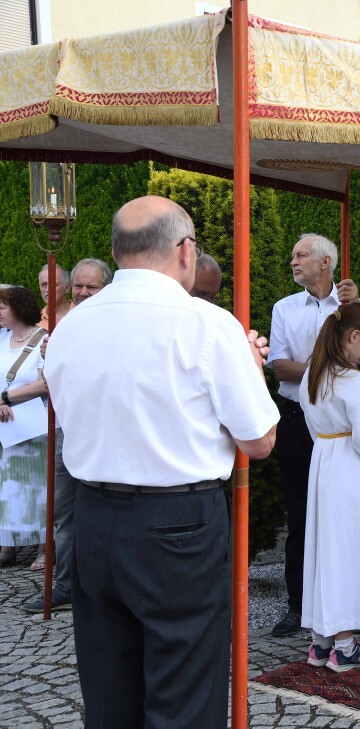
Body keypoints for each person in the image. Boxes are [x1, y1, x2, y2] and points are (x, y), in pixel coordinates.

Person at [44, 195, 279, 729]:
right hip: (179, 525)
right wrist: (249, 368)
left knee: (108, 691)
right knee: (184, 694)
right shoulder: (207, 324)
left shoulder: (71, 326)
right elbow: (260, 440)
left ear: (116, 252)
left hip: (93, 516)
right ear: (185, 250)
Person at [267, 233, 360, 637]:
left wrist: (353, 313)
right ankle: (299, 605)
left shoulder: (354, 307)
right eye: (293, 255)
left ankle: (347, 605)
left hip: (340, 426)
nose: (293, 261)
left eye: (301, 255)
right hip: (297, 419)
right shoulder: (284, 307)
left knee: (344, 513)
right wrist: (333, 365)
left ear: (325, 261)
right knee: (300, 512)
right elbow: (280, 367)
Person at [299, 302, 360, 671]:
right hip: (351, 468)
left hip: (325, 461)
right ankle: (344, 646)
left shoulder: (314, 373)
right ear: (353, 336)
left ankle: (321, 641)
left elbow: (313, 424)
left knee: (327, 550)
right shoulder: (352, 380)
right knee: (347, 552)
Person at [24, 258, 112, 612]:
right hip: (67, 428)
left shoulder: (117, 321)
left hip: (108, 432)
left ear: (106, 288)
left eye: (92, 286)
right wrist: (52, 354)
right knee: (64, 512)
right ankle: (65, 586)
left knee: (109, 511)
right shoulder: (64, 324)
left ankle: (108, 589)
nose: (84, 292)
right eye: (79, 285)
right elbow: (50, 380)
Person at [0, 286, 48, 569]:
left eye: (2, 306)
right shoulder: (2, 339)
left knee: (38, 487)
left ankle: (44, 548)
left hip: (35, 426)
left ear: (18, 307)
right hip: (5, 426)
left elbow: (45, 383)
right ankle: (8, 546)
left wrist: (6, 398)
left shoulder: (44, 339)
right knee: (8, 487)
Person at [38, 263, 74, 330]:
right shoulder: (35, 320)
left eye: (53, 284)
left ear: (67, 288)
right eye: (44, 284)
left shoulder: (80, 314)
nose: (47, 289)